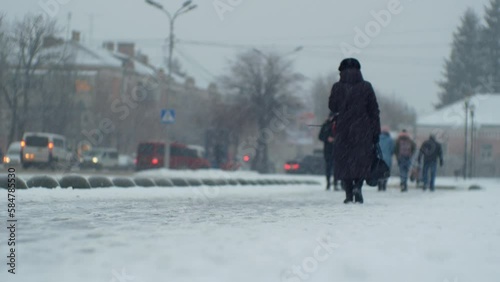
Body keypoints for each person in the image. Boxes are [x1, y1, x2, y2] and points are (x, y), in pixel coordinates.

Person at [329, 58, 381, 204]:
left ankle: (348, 194)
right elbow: (374, 111)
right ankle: (358, 186)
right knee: (361, 161)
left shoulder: (337, 87)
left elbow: (332, 107)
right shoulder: (366, 87)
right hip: (363, 131)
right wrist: (376, 132)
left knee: (345, 161)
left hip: (344, 130)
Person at [318, 113, 340, 191]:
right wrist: (327, 138)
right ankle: (328, 183)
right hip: (328, 150)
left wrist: (336, 139)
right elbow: (320, 136)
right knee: (328, 167)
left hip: (337, 150)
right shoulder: (325, 126)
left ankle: (336, 183)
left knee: (336, 167)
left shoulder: (339, 125)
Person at [378, 126, 394, 191]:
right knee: (386, 171)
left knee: (378, 171)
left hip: (379, 157)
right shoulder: (390, 139)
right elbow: (392, 149)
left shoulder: (378, 138)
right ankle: (384, 185)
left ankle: (379, 185)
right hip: (387, 158)